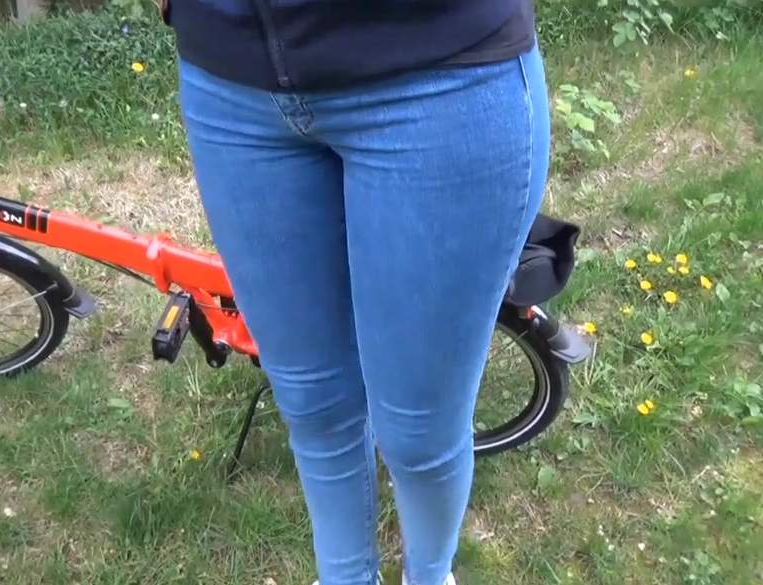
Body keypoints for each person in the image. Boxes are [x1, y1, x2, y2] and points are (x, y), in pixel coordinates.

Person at [166, 1, 549, 584]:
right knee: (313, 408)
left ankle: (429, 576)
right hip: (233, 83)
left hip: (439, 72)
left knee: (420, 434)